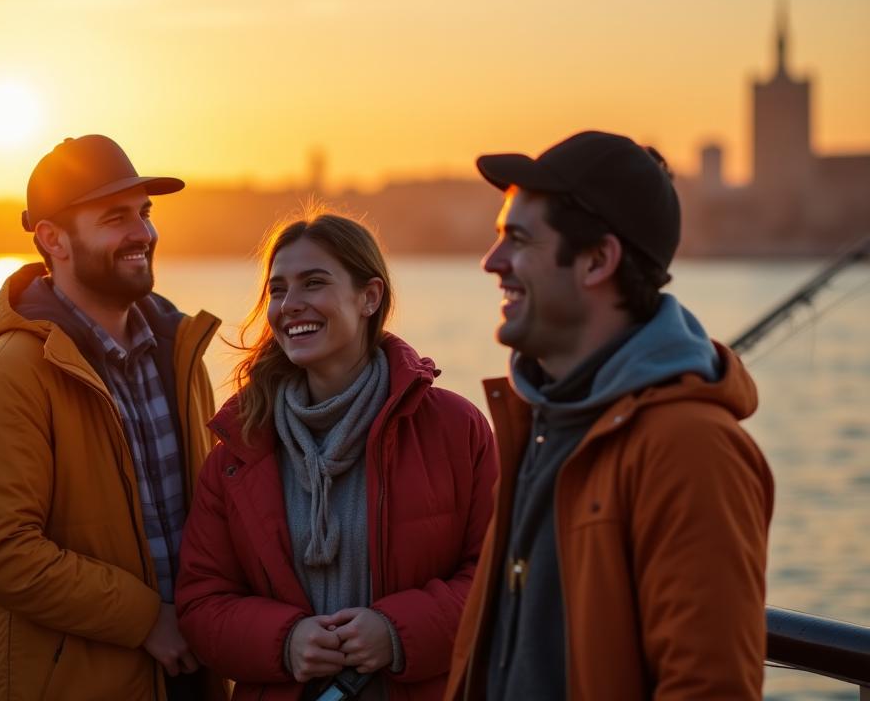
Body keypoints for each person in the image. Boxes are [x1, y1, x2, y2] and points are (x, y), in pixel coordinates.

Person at [445, 131, 774, 700]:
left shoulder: (691, 447)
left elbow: (709, 687)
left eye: (517, 240)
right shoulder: (539, 421)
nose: (491, 262)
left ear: (598, 260)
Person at [175, 213, 499, 700]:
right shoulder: (237, 450)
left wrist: (396, 632)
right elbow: (201, 603)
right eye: (278, 289)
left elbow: (498, 577)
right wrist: (285, 641)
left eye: (314, 283)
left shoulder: (455, 428)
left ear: (370, 297)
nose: (290, 305)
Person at [0, 134, 226, 700]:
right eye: (115, 217)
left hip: (195, 672)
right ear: (53, 239)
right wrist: (148, 620)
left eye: (145, 213)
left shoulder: (181, 354)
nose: (143, 233)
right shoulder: (11, 374)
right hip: (80, 682)